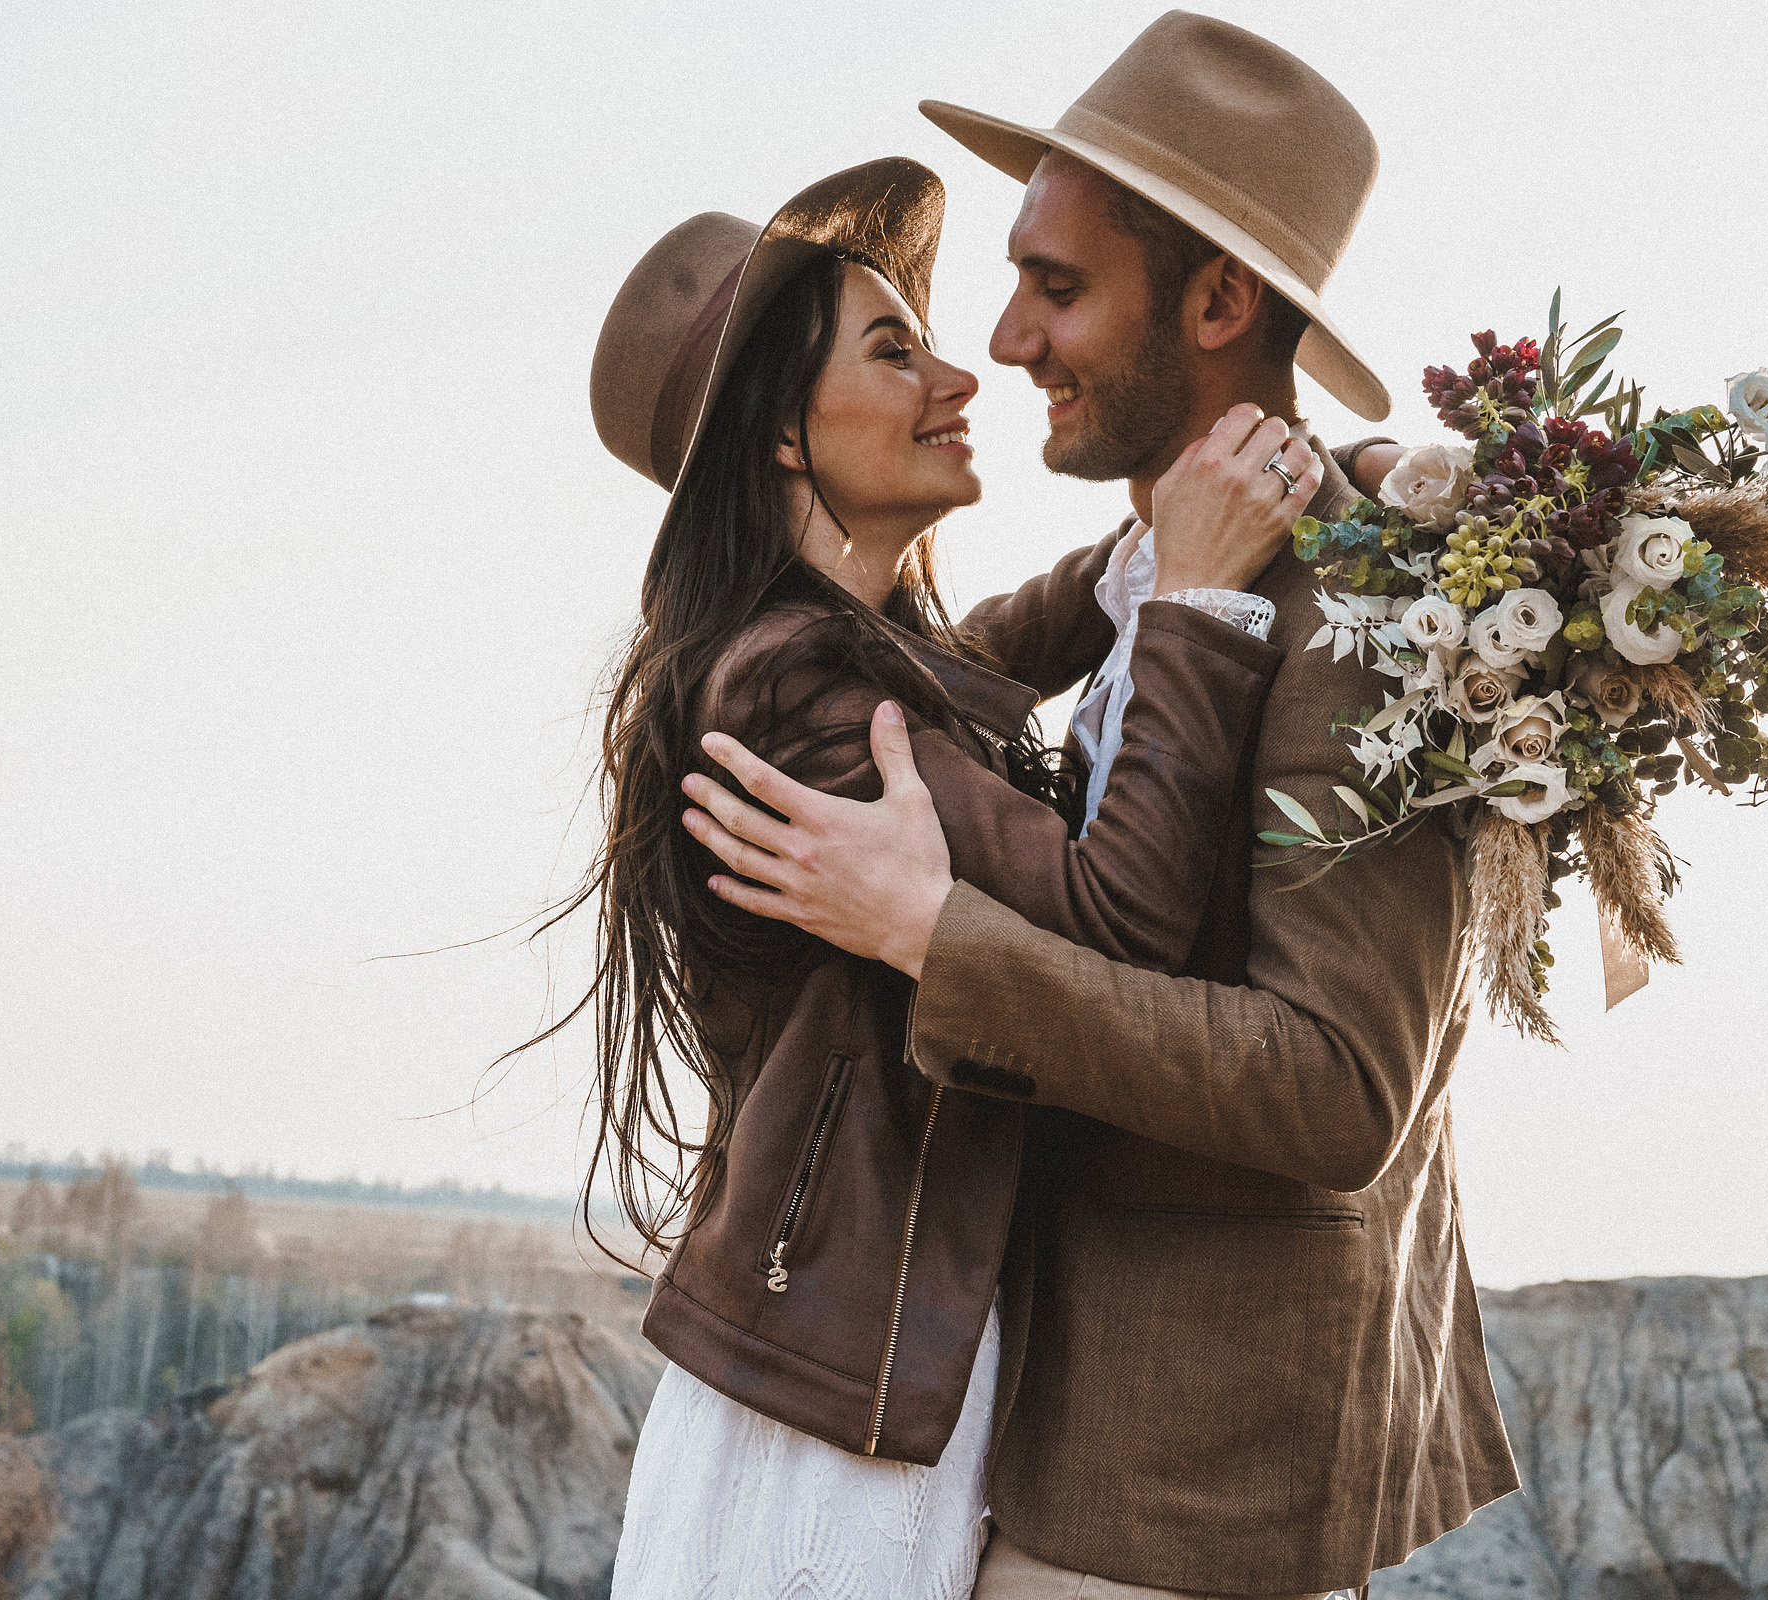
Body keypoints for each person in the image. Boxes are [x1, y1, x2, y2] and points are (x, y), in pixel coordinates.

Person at [678, 14, 1519, 1598]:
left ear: (1218, 301)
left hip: (1189, 1485)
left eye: (1056, 288)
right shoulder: (1156, 570)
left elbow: (1340, 1089)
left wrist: (933, 935)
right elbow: (932, 676)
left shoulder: (1363, 628)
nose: (1000, 340)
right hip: (1044, 1438)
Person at [565, 155, 1360, 1599]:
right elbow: (1115, 921)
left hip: (867, 1378)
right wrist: (1194, 599)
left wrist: (1228, 502)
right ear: (785, 440)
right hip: (833, 1434)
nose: (959, 376)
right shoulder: (804, 702)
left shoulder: (827, 656)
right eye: (894, 350)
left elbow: (997, 646)